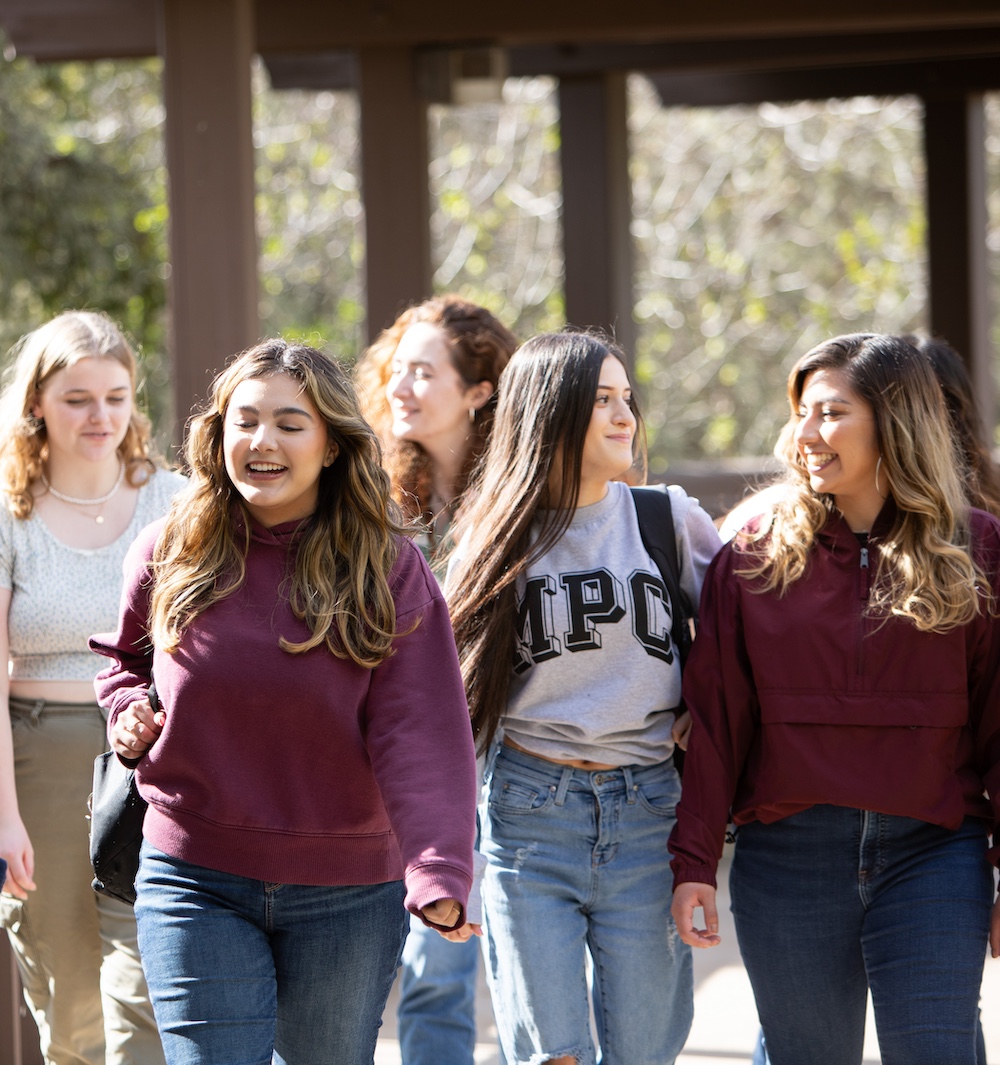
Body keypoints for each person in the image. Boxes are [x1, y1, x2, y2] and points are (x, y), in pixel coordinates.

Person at [89, 339, 478, 1065]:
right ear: (220, 434)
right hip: (193, 873)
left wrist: (438, 867)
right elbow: (123, 658)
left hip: (348, 892)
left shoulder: (389, 569)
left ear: (331, 444)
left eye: (290, 423)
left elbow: (420, 729)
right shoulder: (170, 547)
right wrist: (127, 708)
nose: (263, 441)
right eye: (246, 420)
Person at [670, 333, 1000, 1065]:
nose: (806, 434)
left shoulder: (977, 550)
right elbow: (717, 722)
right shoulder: (752, 554)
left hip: (934, 853)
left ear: (895, 420)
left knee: (937, 1051)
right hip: (786, 859)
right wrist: (693, 861)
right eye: (802, 413)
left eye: (830, 412)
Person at [446, 331, 721, 1065]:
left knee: (643, 1049)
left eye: (627, 398)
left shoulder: (669, 519)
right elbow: (457, 707)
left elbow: (746, 637)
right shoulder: (495, 538)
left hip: (647, 812)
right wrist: (454, 860)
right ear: (549, 411)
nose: (623, 414)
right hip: (530, 814)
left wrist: (708, 710)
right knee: (550, 1053)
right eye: (600, 399)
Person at [0, 310, 184, 1065]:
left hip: (152, 758)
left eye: (116, 396)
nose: (101, 416)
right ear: (37, 403)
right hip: (40, 758)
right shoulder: (11, 512)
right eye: (78, 398)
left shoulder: (175, 498)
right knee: (71, 1014)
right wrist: (4, 815)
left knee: (144, 991)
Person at [356, 295, 517, 1064]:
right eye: (397, 370)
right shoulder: (376, 502)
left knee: (519, 958)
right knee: (432, 962)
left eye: (424, 372)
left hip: (516, 751)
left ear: (480, 391)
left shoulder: (527, 503)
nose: (401, 386)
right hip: (416, 757)